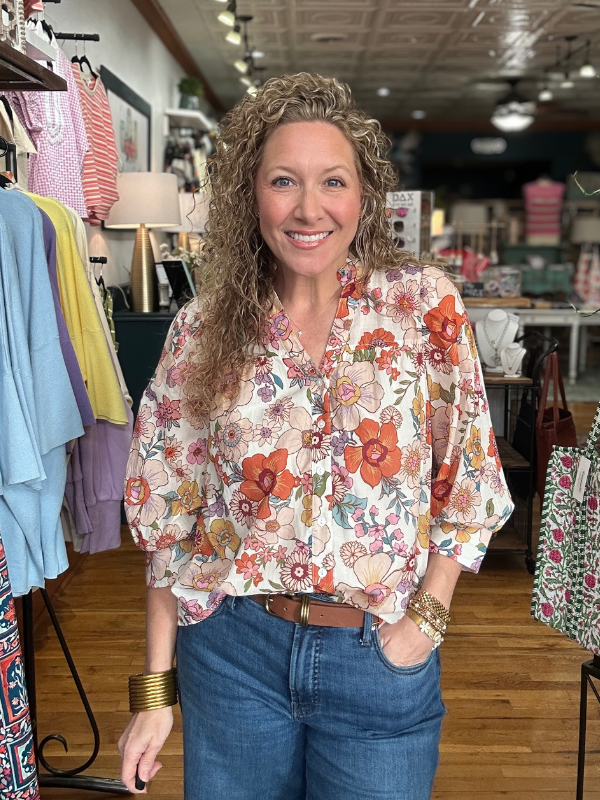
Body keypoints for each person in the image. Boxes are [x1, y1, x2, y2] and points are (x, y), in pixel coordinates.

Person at [119, 73, 514, 799]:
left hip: (378, 658)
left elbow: (473, 485)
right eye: (282, 181)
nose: (308, 208)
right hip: (233, 655)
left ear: (363, 197)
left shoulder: (423, 311)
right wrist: (154, 695)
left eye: (332, 181)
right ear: (251, 197)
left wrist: (424, 622)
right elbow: (165, 516)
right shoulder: (203, 331)